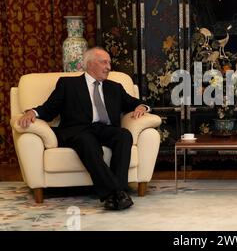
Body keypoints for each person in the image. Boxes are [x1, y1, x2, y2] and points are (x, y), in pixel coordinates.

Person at [18, 47, 150, 210]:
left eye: (109, 62)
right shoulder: (68, 84)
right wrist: (33, 112)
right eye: (104, 62)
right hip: (78, 130)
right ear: (89, 64)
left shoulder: (114, 87)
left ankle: (115, 193)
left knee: (124, 135)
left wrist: (142, 107)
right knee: (87, 142)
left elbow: (134, 102)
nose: (109, 66)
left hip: (105, 129)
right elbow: (50, 109)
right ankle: (118, 192)